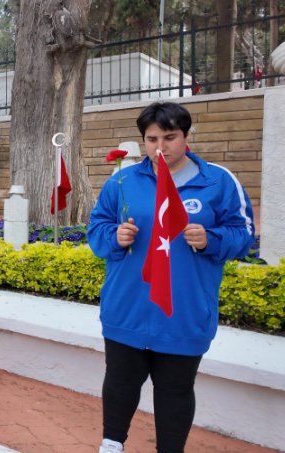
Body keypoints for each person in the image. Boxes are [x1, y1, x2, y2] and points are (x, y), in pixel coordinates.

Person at [89, 102, 255, 453]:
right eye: (151, 139)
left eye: (170, 137)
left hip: (184, 312)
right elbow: (97, 228)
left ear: (187, 136)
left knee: (175, 390)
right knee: (120, 383)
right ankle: (111, 443)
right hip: (127, 307)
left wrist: (212, 239)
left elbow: (244, 236)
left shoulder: (218, 182)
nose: (160, 147)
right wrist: (114, 237)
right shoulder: (122, 181)